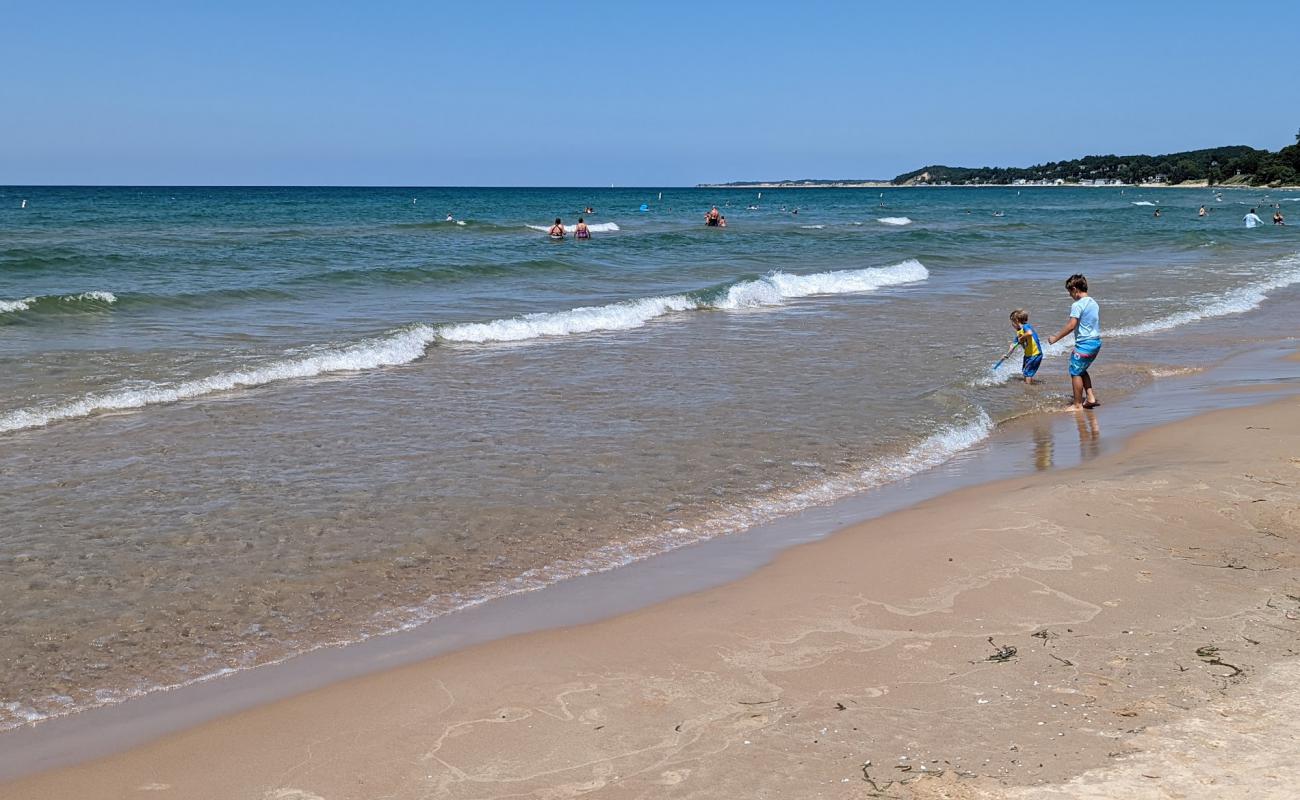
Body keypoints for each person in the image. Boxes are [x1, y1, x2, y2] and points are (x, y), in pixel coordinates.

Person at [1047, 274, 1102, 410]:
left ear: (1075, 289)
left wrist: (1055, 338)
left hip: (1084, 344)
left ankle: (1077, 404)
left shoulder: (1077, 305)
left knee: (1075, 372)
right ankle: (1090, 397)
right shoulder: (1093, 302)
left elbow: (1071, 325)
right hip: (1095, 342)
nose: (1069, 295)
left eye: (1069, 292)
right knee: (1082, 369)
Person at [997, 310, 1043, 384]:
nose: (1012, 325)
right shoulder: (1019, 332)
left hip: (1035, 353)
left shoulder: (1026, 326)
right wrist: (1007, 355)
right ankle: (1029, 383)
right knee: (1025, 371)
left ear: (1016, 321)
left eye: (1012, 322)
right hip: (1028, 355)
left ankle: (1028, 388)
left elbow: (1029, 333)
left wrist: (1021, 338)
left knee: (1027, 372)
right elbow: (1013, 345)